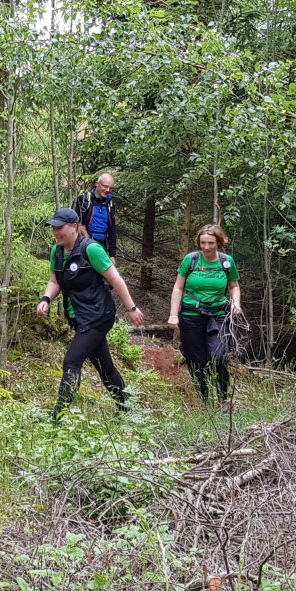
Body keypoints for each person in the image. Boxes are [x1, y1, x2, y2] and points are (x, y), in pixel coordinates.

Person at [36, 207, 146, 417]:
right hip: (78, 316)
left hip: (98, 315)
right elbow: (55, 281)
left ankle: (57, 416)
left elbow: (115, 279)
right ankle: (127, 410)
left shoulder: (91, 249)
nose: (56, 232)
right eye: (53, 228)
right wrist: (46, 299)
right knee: (104, 365)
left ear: (74, 227)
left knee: (71, 361)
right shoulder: (56, 252)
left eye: (59, 228)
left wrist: (131, 308)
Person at [166, 224, 241, 405]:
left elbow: (234, 286)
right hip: (191, 314)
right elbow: (178, 288)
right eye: (203, 243)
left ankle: (223, 399)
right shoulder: (191, 260)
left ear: (219, 243)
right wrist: (173, 314)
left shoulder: (226, 262)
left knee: (219, 356)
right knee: (196, 360)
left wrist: (236, 303)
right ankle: (204, 399)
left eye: (210, 243)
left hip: (219, 313)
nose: (206, 247)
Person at [71, 173, 119, 256]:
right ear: (97, 184)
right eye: (105, 186)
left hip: (102, 247)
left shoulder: (110, 205)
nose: (108, 190)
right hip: (83, 247)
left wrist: (112, 255)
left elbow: (112, 231)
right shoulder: (82, 200)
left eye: (110, 188)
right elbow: (71, 224)